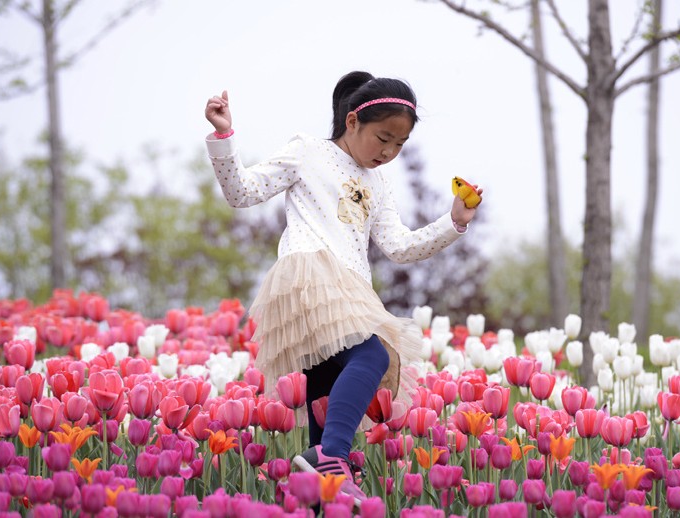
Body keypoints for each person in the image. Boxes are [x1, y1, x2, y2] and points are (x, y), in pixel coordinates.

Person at [204, 71, 481, 503]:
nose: (388, 152)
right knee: (373, 353)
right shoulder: (308, 151)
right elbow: (242, 193)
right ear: (352, 121)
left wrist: (454, 223)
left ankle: (320, 484)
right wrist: (224, 138)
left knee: (325, 398)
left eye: (399, 145)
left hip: (351, 291)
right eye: (382, 138)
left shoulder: (378, 183)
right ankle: (333, 456)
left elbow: (399, 247)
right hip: (308, 276)